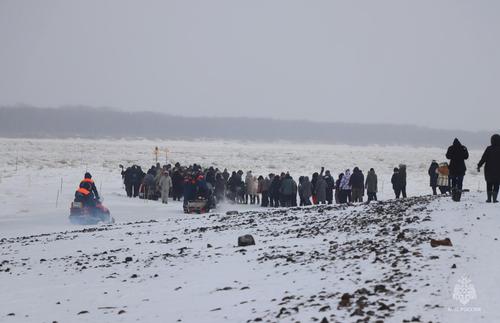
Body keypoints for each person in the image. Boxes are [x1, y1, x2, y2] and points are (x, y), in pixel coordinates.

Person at [477, 134, 500, 203]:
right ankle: (495, 199)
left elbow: (483, 158)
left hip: (488, 170)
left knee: (489, 184)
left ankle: (489, 199)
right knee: (496, 184)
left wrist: (479, 165)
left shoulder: (488, 148)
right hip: (498, 171)